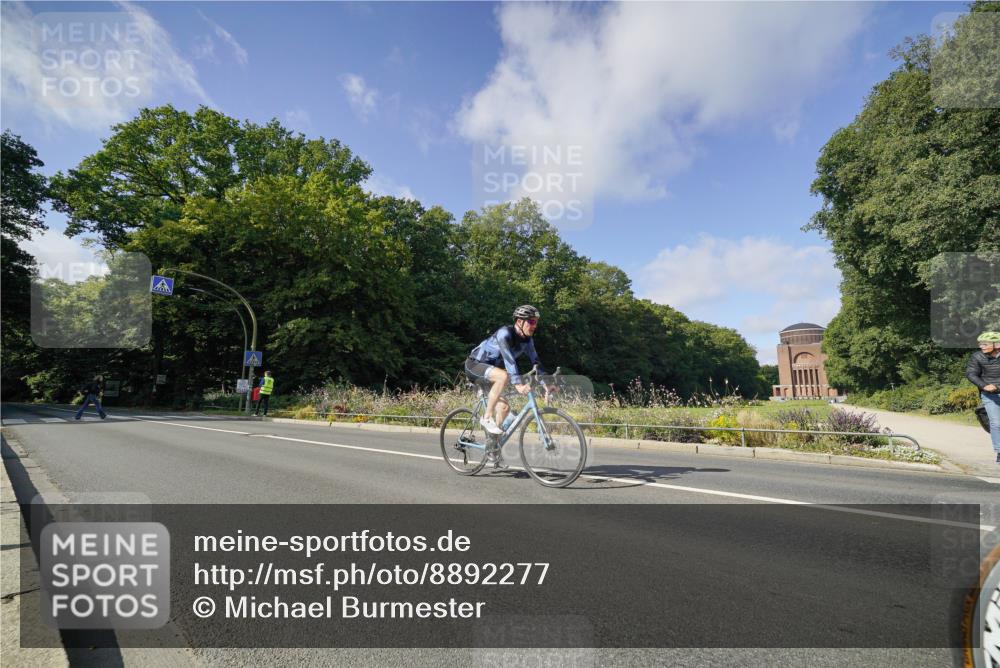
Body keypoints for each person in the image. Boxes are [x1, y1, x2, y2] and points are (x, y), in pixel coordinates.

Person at [465, 305, 546, 435]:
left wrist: (546, 384)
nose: (535, 325)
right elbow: (509, 360)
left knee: (504, 408)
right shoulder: (505, 334)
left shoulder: (527, 341)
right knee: (503, 376)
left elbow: (536, 363)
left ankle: (492, 446)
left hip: (492, 374)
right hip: (474, 366)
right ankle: (486, 418)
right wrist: (518, 384)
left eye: (536, 322)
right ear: (520, 321)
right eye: (531, 321)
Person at [967, 331, 1000, 464]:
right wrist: (984, 386)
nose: (982, 346)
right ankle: (999, 451)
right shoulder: (977, 357)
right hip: (990, 395)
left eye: (985, 344)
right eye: (980, 344)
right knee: (996, 423)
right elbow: (971, 373)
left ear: (997, 344)